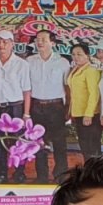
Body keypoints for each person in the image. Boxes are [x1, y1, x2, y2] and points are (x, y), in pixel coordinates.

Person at [0, 32, 32, 182]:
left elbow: (27, 90)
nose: (1, 45)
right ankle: (1, 174)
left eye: (5, 42)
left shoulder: (21, 64)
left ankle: (19, 173)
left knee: (18, 141)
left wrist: (26, 114)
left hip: (15, 107)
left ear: (12, 44)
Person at [25, 28, 71, 183]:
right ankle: (42, 177)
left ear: (53, 43)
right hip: (36, 106)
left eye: (43, 40)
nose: (40, 42)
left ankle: (61, 175)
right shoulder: (29, 61)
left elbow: (67, 87)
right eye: (37, 39)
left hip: (56, 107)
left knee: (59, 143)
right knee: (38, 143)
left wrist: (68, 108)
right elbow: (26, 87)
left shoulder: (63, 62)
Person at [64, 40, 101, 168]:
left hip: (89, 115)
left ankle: (96, 173)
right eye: (73, 54)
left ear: (87, 55)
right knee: (84, 146)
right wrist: (70, 111)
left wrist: (89, 114)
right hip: (78, 113)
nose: (76, 57)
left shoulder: (90, 70)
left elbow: (94, 94)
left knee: (92, 147)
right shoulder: (75, 69)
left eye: (79, 54)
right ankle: (89, 171)